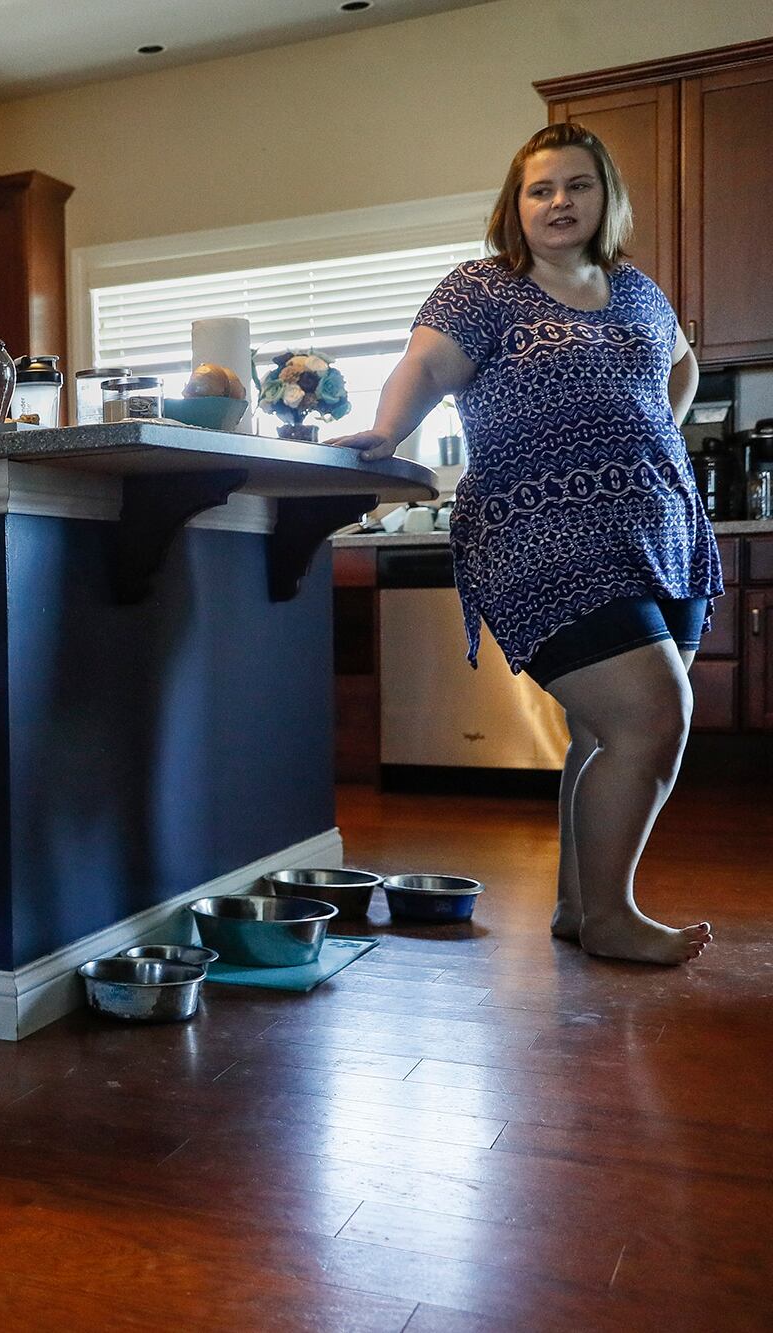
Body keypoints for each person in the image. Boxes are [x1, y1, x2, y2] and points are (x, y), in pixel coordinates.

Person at [329, 123, 718, 967]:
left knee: (599, 730)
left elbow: (683, 365)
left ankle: (583, 908)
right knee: (653, 717)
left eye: (577, 186)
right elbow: (425, 369)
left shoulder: (637, 291)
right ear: (516, 206)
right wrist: (390, 430)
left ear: (606, 198)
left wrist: (656, 437)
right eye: (540, 189)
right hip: (541, 533)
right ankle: (614, 915)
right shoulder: (484, 289)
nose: (558, 203)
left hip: (659, 530)